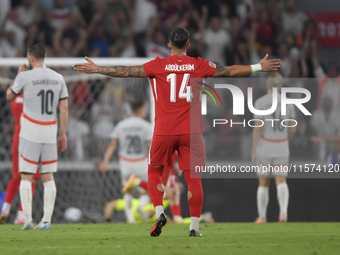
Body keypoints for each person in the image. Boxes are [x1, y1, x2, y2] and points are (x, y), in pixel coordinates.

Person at [74, 27, 281, 237]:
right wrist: (258, 66)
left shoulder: (158, 65)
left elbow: (126, 71)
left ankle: (159, 213)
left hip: (164, 131)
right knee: (193, 179)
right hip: (191, 132)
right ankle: (194, 228)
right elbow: (230, 71)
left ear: (169, 46)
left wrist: (98, 69)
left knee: (154, 171)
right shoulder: (199, 64)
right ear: (188, 45)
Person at [6, 43, 68, 230]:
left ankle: (26, 220)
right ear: (44, 57)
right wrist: (63, 134)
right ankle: (47, 221)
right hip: (50, 131)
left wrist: (18, 74)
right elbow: (64, 107)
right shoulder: (58, 77)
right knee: (47, 175)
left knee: (26, 175)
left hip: (30, 131)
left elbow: (10, 96)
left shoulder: (25, 76)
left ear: (30, 58)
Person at [251, 72, 296, 223]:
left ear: (267, 84)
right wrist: (283, 138)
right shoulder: (288, 103)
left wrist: (253, 150)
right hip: (282, 144)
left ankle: (262, 217)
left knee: (263, 182)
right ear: (280, 85)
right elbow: (293, 129)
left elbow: (257, 128)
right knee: (281, 180)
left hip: (265, 145)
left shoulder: (260, 102)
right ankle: (283, 213)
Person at [99, 101, 153, 223]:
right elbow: (151, 146)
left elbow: (112, 144)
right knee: (144, 190)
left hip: (126, 162)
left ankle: (130, 218)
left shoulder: (121, 125)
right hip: (141, 162)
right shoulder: (146, 126)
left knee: (128, 190)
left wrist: (105, 162)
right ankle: (140, 207)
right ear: (142, 109)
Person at [0, 93, 41, 225]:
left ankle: (5, 209)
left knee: (17, 176)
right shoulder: (36, 96)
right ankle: (22, 216)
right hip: (31, 140)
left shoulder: (15, 97)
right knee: (31, 178)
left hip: (18, 140)